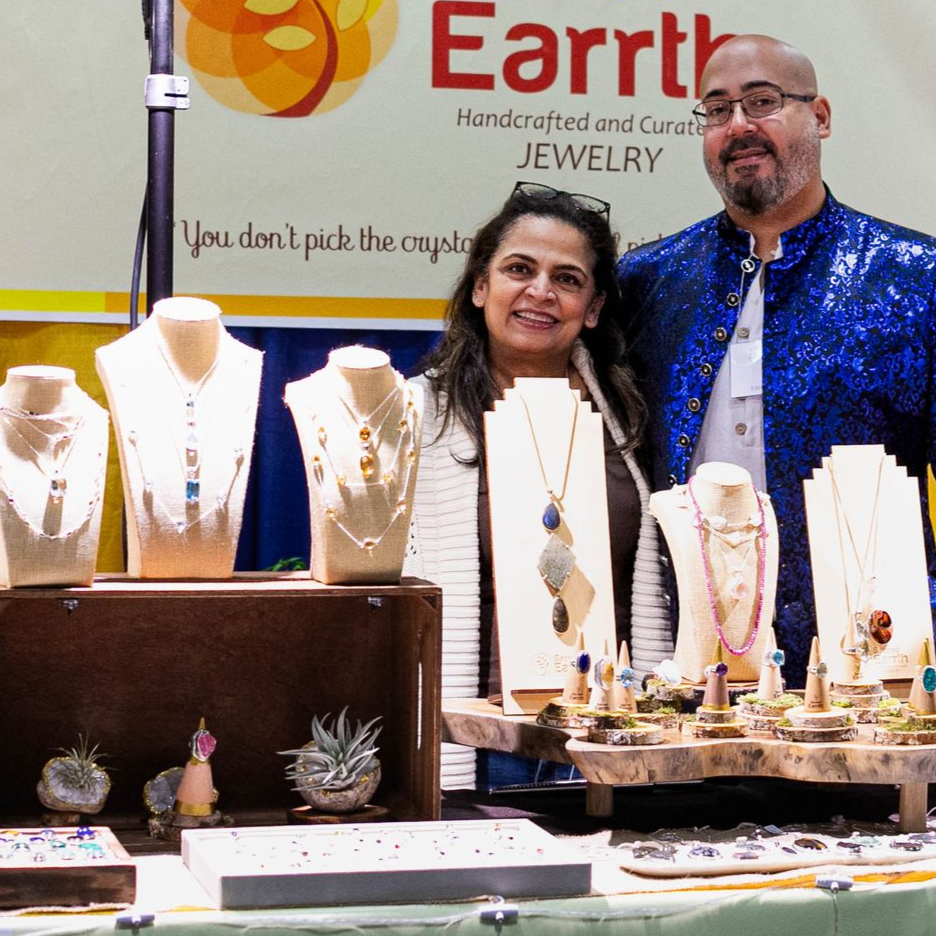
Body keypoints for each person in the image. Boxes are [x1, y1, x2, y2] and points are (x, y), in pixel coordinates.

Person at [617, 34, 936, 683]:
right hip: (686, 674)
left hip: (870, 675)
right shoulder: (648, 285)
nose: (738, 127)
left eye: (761, 102)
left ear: (819, 115)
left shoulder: (915, 279)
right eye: (716, 109)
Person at [406, 182, 672, 789]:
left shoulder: (633, 422)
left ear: (595, 307)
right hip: (483, 740)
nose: (541, 292)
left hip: (615, 733)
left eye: (568, 278)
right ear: (480, 287)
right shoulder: (410, 417)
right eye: (519, 269)